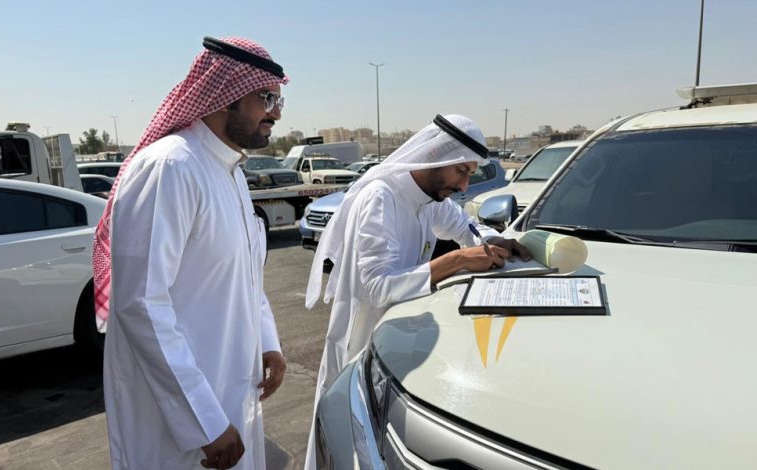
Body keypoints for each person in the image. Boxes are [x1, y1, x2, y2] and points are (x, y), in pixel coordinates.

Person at [93, 36, 289, 470]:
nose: (276, 113)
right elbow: (141, 304)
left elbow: (245, 277)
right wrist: (204, 422)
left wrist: (267, 343)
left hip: (232, 391)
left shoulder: (231, 172)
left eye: (279, 100)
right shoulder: (171, 167)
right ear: (225, 96)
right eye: (266, 98)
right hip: (182, 419)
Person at [303, 114, 531, 468]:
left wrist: (494, 240)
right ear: (437, 157)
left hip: (395, 337)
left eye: (470, 174)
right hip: (358, 340)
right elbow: (379, 287)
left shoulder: (429, 199)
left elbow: (466, 227)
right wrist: (456, 260)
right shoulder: (382, 197)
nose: (464, 186)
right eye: (461, 171)